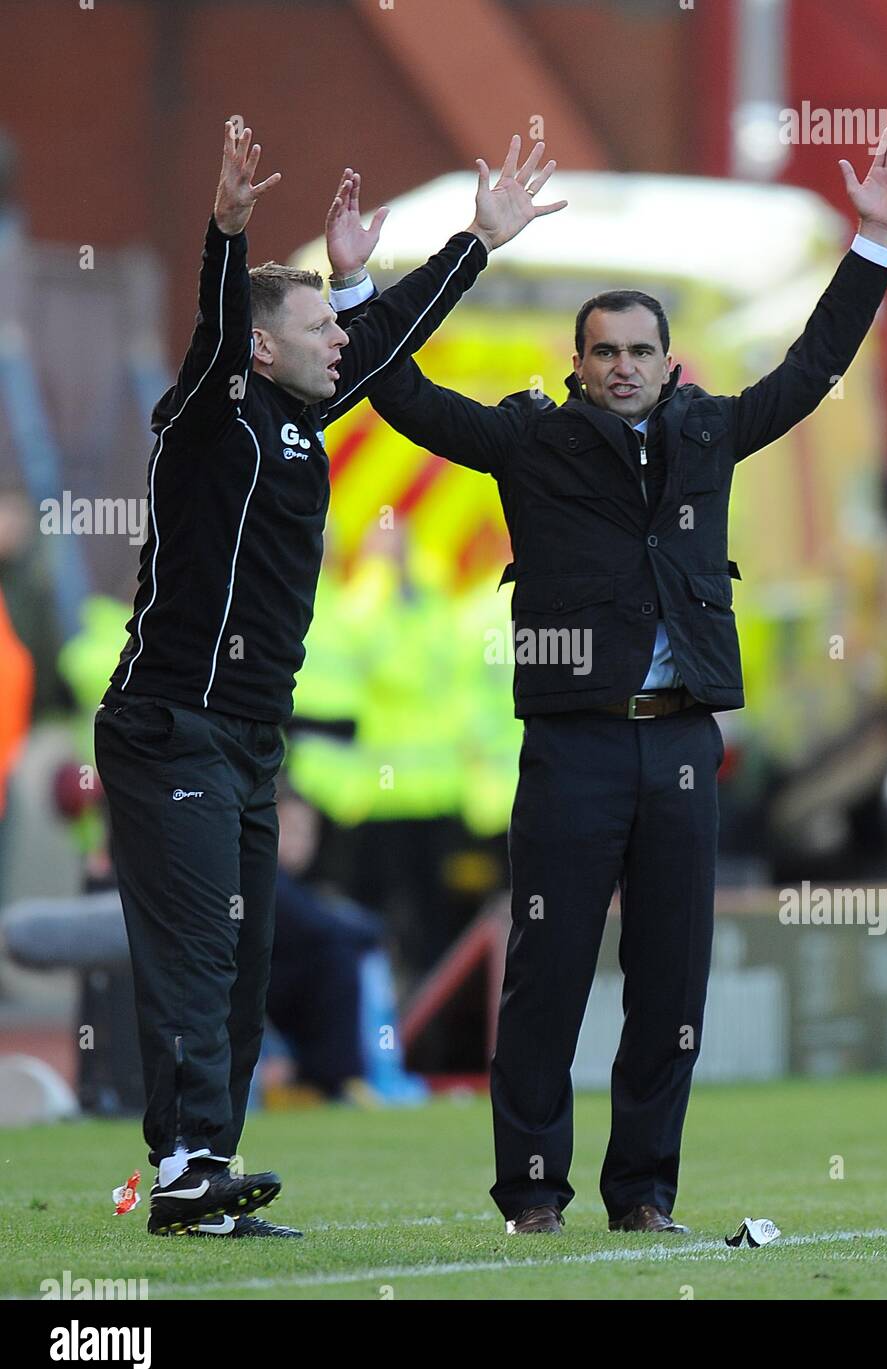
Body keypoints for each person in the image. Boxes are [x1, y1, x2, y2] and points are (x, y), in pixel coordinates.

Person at [364, 124, 887, 1234]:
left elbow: (813, 369)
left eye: (639, 350)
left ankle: (645, 1196)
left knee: (671, 989)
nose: (621, 365)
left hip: (678, 746)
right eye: (603, 350)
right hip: (571, 743)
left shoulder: (711, 434)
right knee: (547, 974)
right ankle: (530, 1195)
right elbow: (399, 393)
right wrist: (443, 255)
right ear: (578, 363)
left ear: (671, 361)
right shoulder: (530, 443)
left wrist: (872, 239)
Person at [94, 117, 564, 1239]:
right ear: (263, 348)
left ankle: (202, 1171)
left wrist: (476, 242)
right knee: (202, 950)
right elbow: (218, 331)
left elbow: (385, 333)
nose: (338, 339)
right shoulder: (211, 417)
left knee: (248, 955)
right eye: (316, 325)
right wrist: (227, 229)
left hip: (253, 735)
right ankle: (187, 1165)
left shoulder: (303, 424)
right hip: (174, 724)